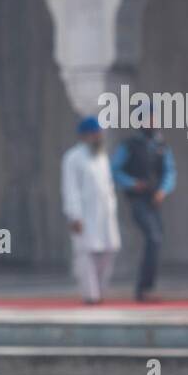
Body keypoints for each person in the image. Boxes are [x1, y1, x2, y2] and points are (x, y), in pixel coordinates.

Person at [112, 116, 177, 302]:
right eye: (149, 119)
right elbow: (115, 170)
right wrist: (132, 184)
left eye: (155, 119)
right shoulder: (130, 145)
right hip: (138, 200)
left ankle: (147, 288)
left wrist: (163, 190)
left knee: (156, 240)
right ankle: (143, 288)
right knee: (153, 237)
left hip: (154, 200)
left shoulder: (161, 145)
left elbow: (170, 171)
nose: (153, 123)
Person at [61, 116, 121, 304]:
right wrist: (75, 216)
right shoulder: (73, 158)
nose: (99, 137)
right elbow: (70, 188)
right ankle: (90, 295)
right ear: (85, 136)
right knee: (85, 255)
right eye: (95, 134)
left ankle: (101, 291)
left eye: (100, 133)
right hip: (84, 215)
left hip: (105, 215)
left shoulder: (101, 156)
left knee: (109, 251)